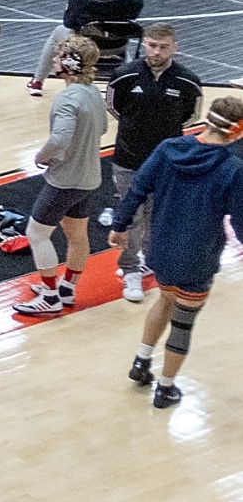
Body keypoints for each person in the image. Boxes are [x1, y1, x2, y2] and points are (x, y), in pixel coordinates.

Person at [114, 96, 243, 407]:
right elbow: (239, 220)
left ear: (207, 120)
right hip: (198, 256)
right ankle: (165, 388)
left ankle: (141, 361)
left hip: (161, 248)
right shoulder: (233, 168)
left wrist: (119, 225)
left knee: (165, 299)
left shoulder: (169, 148)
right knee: (184, 322)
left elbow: (138, 188)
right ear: (237, 131)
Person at [104, 24, 206, 305]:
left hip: (168, 163)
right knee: (131, 215)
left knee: (158, 214)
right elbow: (115, 108)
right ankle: (130, 269)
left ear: (175, 47)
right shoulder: (124, 75)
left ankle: (152, 259)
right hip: (128, 159)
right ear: (144, 44)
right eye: (151, 45)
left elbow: (189, 117)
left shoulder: (188, 82)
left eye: (163, 47)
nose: (156, 52)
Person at [14, 36, 109, 318]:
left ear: (69, 62)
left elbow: (60, 139)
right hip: (90, 177)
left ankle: (50, 296)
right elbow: (103, 128)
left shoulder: (68, 98)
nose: (53, 60)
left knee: (36, 234)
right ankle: (67, 288)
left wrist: (41, 157)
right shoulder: (93, 92)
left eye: (57, 56)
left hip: (65, 180)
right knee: (77, 235)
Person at [33, 0, 145, 94]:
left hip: (87, 49)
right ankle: (130, 82)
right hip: (118, 48)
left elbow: (69, 23)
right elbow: (133, 18)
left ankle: (37, 81)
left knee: (59, 31)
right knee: (118, 37)